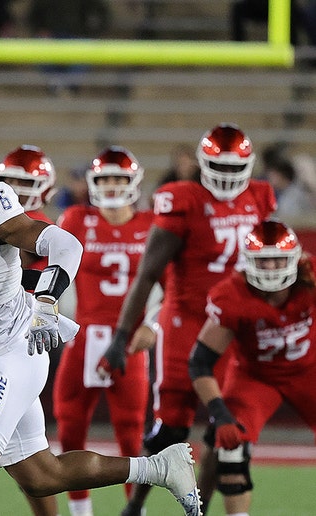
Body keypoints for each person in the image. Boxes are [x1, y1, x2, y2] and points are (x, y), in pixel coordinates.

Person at [0, 119, 200, 516]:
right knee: (42, 475)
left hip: (11, 347)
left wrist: (46, 299)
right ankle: (159, 466)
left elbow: (60, 246)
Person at [97, 123, 277, 516]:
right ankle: (136, 508)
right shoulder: (183, 200)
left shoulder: (260, 197)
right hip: (186, 324)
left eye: (235, 169)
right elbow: (148, 273)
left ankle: (200, 508)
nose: (228, 178)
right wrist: (122, 335)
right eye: (220, 168)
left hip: (234, 329)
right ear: (203, 164)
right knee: (171, 428)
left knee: (224, 429)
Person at [189, 219, 316, 516]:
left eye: (278, 260)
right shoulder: (232, 294)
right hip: (255, 377)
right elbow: (200, 362)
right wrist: (220, 415)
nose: (271, 268)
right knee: (230, 449)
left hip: (309, 371)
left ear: (295, 260)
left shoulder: (310, 278)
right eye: (264, 260)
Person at [53, 146, 154, 516]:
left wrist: (154, 324)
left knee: (131, 434)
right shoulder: (77, 218)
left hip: (128, 341)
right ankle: (81, 513)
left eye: (119, 178)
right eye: (105, 179)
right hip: (84, 334)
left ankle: (134, 511)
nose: (112, 186)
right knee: (70, 429)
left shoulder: (152, 223)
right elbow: (55, 273)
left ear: (134, 182)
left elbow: (173, 283)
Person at [0, 145, 57, 269]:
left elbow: (3, 266)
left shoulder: (38, 222)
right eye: (10, 181)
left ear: (44, 185)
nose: (14, 188)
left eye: (24, 182)